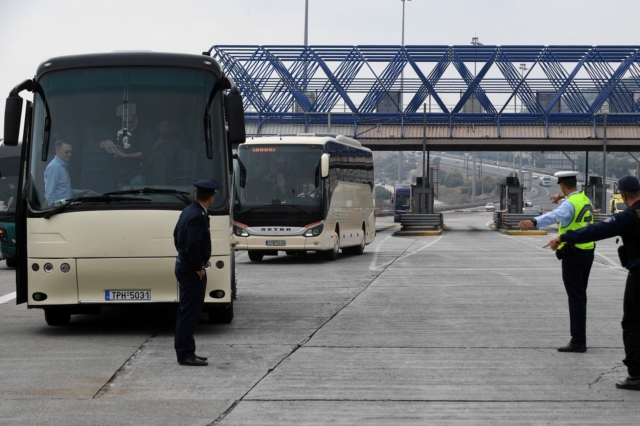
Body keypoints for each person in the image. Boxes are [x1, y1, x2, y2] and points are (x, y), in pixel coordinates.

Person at [544, 175, 640, 390]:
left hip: (639, 276)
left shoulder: (628, 217)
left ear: (623, 195)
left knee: (633, 323)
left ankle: (636, 375)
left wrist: (564, 237)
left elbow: (595, 231)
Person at [519, 171, 595, 353]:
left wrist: (533, 220)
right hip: (587, 253)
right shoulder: (584, 199)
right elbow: (569, 200)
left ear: (561, 184)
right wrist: (560, 195)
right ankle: (579, 338)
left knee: (575, 298)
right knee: (581, 296)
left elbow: (555, 216)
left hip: (573, 255)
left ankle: (578, 341)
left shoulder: (569, 204)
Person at [173, 179, 218, 367]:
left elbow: (176, 236)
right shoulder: (198, 215)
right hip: (192, 269)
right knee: (190, 312)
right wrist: (198, 266)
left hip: (183, 265)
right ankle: (185, 354)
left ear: (196, 195)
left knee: (188, 310)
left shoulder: (188, 211)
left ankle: (187, 351)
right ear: (211, 197)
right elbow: (193, 244)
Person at [98, 103, 151, 189]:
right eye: (124, 122)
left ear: (136, 117)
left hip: (137, 173)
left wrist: (126, 156)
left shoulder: (144, 132)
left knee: (136, 200)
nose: (126, 124)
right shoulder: (117, 129)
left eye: (129, 122)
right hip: (120, 174)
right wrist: (106, 142)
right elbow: (100, 146)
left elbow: (144, 153)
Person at [44, 140, 89, 206]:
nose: (69, 154)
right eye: (67, 152)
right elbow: (49, 193)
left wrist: (80, 192)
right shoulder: (54, 167)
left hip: (64, 207)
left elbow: (64, 190)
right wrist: (53, 209)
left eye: (70, 152)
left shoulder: (61, 166)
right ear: (57, 150)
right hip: (59, 209)